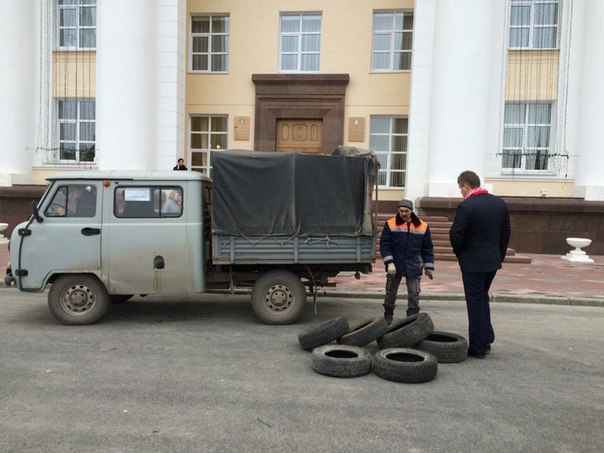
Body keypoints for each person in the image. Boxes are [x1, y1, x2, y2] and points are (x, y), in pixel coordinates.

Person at [449, 170, 511, 359]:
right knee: (482, 298)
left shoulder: (466, 206)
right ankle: (486, 338)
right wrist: (499, 256)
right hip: (492, 261)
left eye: (460, 188)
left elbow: (456, 234)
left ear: (466, 186)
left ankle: (477, 348)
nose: (461, 192)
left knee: (475, 302)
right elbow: (505, 233)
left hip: (472, 263)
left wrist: (460, 254)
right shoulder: (499, 203)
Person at [379, 199, 435, 324]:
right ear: (398, 210)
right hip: (395, 265)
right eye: (401, 211)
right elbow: (385, 245)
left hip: (414, 265)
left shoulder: (423, 226)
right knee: (390, 292)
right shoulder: (390, 224)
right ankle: (388, 316)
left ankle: (412, 320)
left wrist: (429, 266)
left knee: (414, 294)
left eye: (406, 211)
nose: (403, 213)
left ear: (411, 211)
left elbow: (427, 248)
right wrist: (389, 262)